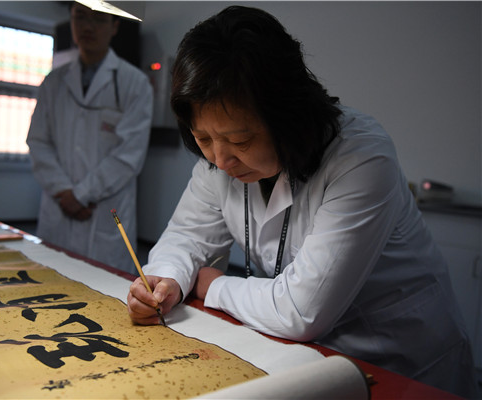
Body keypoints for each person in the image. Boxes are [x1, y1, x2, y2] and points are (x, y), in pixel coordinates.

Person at [126, 6, 477, 398]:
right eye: (203, 139)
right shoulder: (219, 162)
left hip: (402, 361)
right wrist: (165, 281)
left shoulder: (361, 157)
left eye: (240, 142)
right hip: (311, 360)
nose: (220, 160)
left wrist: (212, 286)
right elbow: (187, 237)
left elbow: (300, 310)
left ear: (286, 116)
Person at [27, 2, 153, 275]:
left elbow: (128, 155)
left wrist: (82, 195)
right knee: (50, 285)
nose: (87, 26)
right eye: (80, 17)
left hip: (104, 210)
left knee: (106, 292)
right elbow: (38, 142)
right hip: (59, 206)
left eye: (98, 19)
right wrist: (64, 192)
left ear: (115, 25)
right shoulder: (53, 83)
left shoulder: (135, 84)